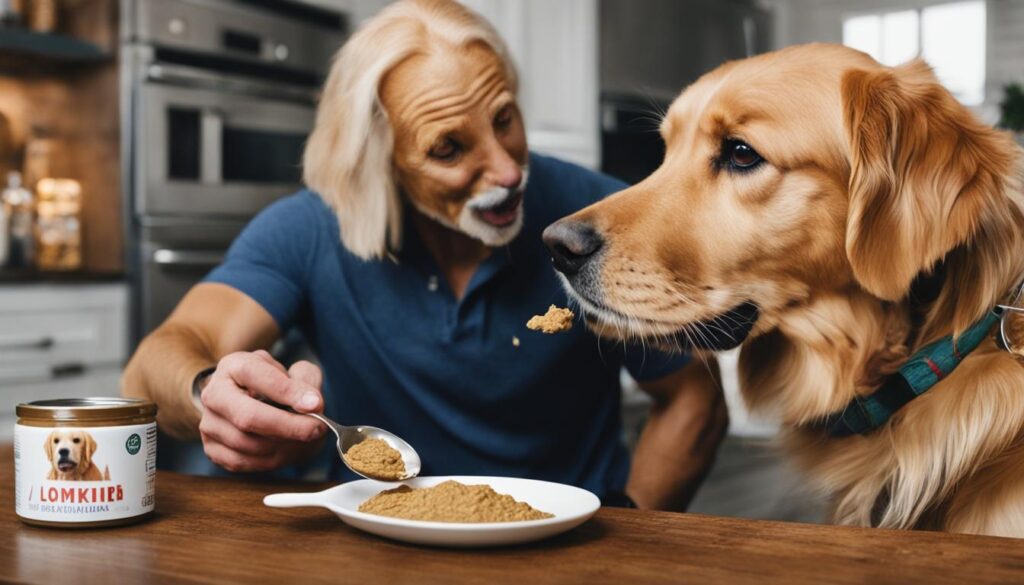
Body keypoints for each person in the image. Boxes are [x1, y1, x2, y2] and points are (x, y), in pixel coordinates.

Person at [121, 0, 727, 510]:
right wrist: (208, 393)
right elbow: (155, 362)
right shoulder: (308, 230)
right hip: (372, 547)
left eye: (505, 118)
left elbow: (693, 402)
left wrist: (619, 543)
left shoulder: (593, 214)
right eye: (449, 147)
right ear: (379, 164)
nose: (507, 169)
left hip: (561, 550)